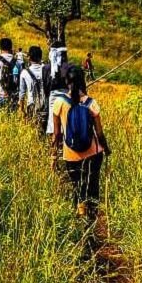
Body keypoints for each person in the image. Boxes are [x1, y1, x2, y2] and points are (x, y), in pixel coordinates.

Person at [51, 65, 110, 220]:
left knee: (78, 187)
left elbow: (57, 134)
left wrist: (54, 155)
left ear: (66, 81)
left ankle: (80, 216)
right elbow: (99, 134)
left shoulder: (59, 102)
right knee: (92, 187)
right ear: (83, 81)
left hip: (71, 155)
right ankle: (91, 221)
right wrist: (107, 149)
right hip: (93, 154)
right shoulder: (91, 103)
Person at [18, 45, 51, 130]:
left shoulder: (25, 73)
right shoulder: (48, 70)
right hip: (47, 106)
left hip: (32, 106)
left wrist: (21, 110)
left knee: (34, 132)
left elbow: (22, 94)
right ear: (41, 57)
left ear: (29, 57)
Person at [0, 38, 19, 110]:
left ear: (0, 47)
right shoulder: (18, 62)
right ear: (11, 47)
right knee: (12, 119)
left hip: (0, 94)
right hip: (13, 95)